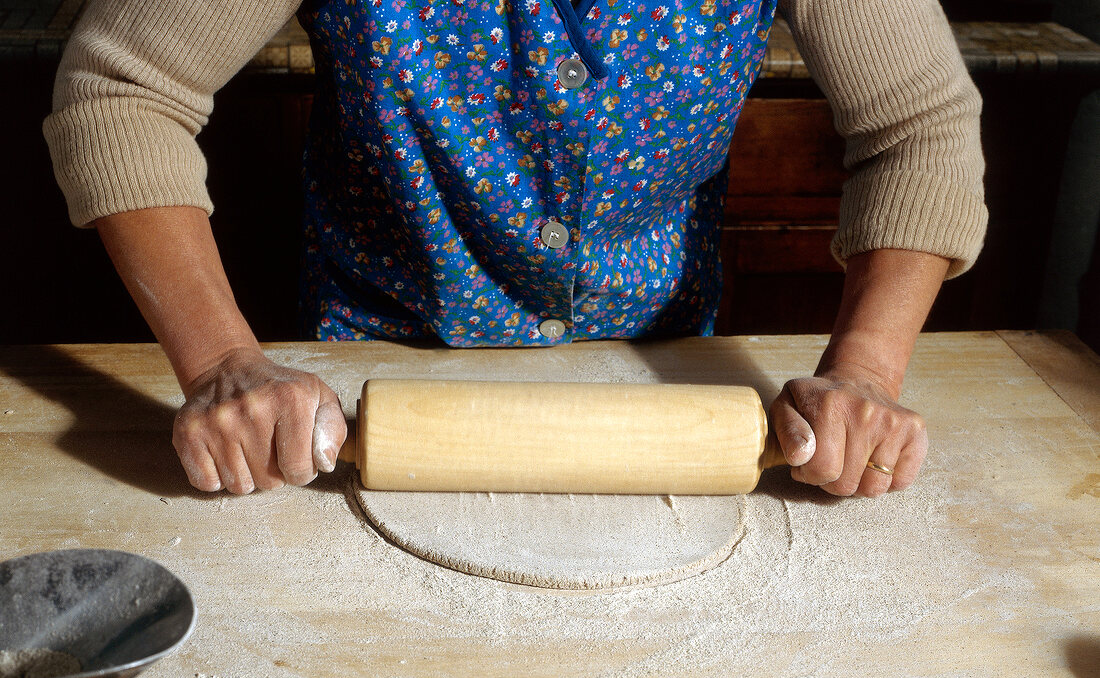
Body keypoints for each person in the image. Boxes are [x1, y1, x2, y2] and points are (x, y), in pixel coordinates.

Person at [44, 0, 986, 498]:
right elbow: (122, 87)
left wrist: (864, 371)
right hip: (352, 404)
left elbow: (921, 126)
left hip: (665, 392)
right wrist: (217, 362)